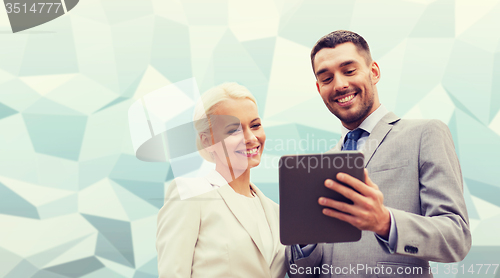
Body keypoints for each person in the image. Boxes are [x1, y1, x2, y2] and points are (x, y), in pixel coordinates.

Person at [285, 30, 471, 277]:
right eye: (327, 78)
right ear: (319, 88)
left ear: (374, 72)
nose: (339, 84)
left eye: (349, 71)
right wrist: (304, 240)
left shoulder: (425, 133)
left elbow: (456, 238)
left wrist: (385, 222)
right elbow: (302, 273)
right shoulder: (320, 167)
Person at [156, 83, 286, 278]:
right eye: (234, 130)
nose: (251, 138)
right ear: (207, 141)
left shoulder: (276, 212)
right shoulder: (191, 195)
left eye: (255, 125)